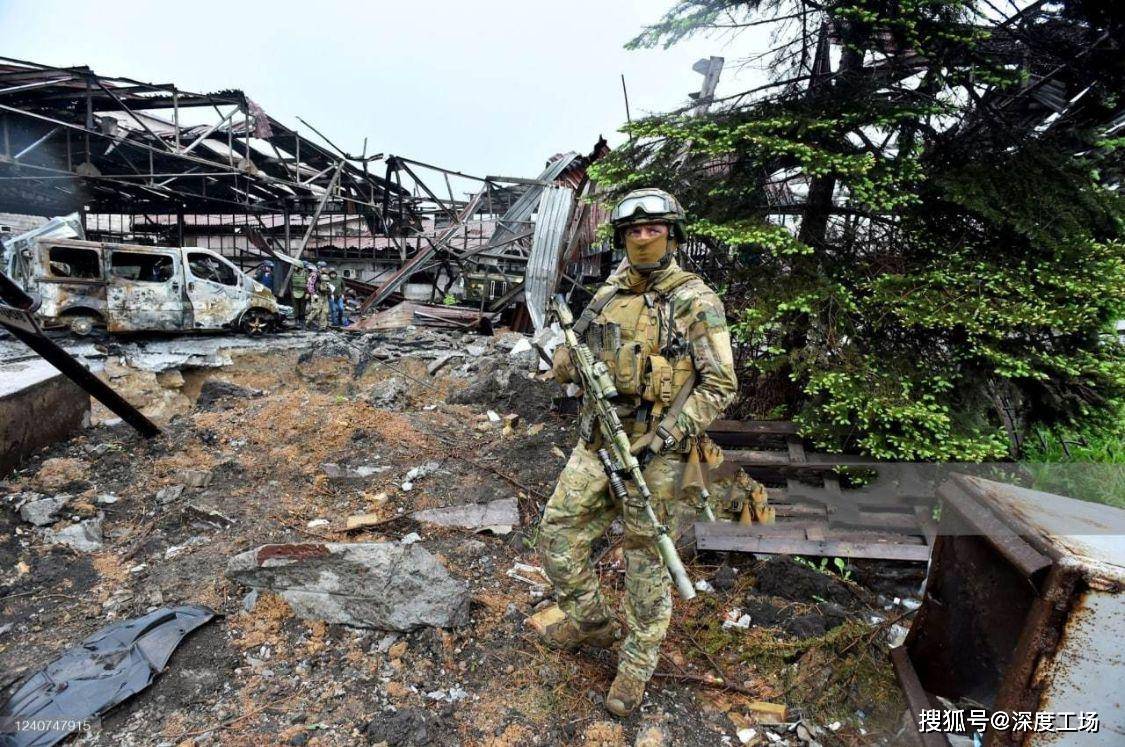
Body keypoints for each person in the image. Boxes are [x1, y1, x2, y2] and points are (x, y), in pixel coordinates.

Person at [537, 188, 737, 717]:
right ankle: (592, 624)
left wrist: (666, 435)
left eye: (653, 230)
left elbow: (719, 386)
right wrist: (564, 359)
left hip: (662, 452)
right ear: (622, 238)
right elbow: (571, 348)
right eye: (633, 231)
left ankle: (635, 666)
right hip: (600, 438)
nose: (643, 238)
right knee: (557, 533)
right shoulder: (608, 293)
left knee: (647, 567)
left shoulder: (696, 301)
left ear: (671, 234)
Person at [290, 262, 310, 327]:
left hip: (303, 292)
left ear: (299, 267)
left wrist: (307, 293)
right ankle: (296, 319)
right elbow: (290, 284)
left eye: (296, 266)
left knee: (302, 306)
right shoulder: (292, 273)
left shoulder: (305, 274)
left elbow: (309, 284)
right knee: (295, 306)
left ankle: (302, 319)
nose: (294, 268)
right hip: (294, 291)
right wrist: (291, 292)